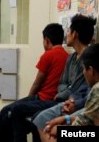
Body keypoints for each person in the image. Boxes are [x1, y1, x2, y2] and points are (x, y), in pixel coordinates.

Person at [0, 23, 69, 142]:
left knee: (8, 110)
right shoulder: (68, 56)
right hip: (53, 101)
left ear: (46, 40)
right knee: (10, 114)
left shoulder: (48, 55)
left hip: (43, 99)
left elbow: (37, 82)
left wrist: (28, 98)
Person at [32, 14, 96, 142]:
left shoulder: (90, 58)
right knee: (39, 119)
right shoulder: (71, 58)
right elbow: (63, 83)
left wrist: (71, 104)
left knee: (50, 126)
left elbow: (86, 113)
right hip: (68, 102)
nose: (83, 72)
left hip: (75, 104)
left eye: (68, 30)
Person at [42, 43, 99, 141]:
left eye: (84, 69)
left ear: (91, 70)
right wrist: (66, 119)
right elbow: (87, 119)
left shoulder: (97, 89)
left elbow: (82, 128)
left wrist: (60, 132)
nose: (83, 73)